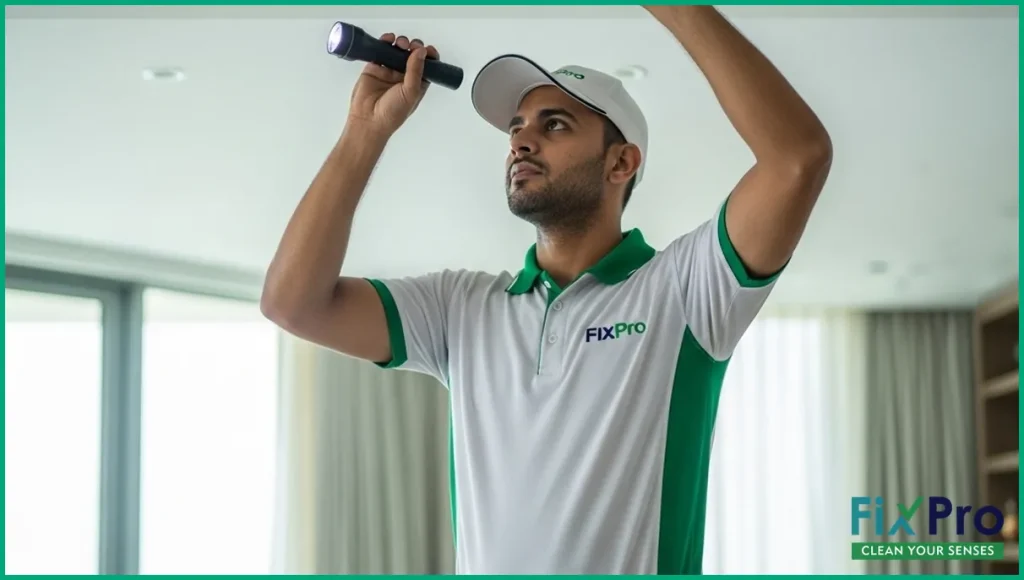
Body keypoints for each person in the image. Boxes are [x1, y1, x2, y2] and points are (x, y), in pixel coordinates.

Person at [261, 5, 832, 575]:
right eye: (516, 127)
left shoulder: (683, 290)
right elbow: (293, 303)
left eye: (554, 125)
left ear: (621, 163)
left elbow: (796, 159)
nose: (521, 142)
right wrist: (366, 132)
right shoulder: (461, 309)